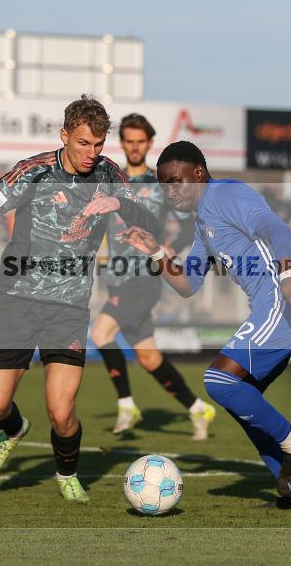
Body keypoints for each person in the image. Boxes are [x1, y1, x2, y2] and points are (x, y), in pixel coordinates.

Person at [0, 96, 159, 503]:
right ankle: (15, 429)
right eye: (82, 144)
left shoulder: (110, 174)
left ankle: (67, 473)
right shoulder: (34, 172)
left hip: (70, 309)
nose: (91, 154)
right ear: (64, 136)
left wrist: (121, 204)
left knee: (62, 412)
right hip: (15, 303)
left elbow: (150, 222)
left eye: (98, 145)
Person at [118, 141, 291, 511]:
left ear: (198, 173)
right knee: (240, 398)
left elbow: (275, 227)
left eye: (176, 181)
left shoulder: (225, 194)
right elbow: (187, 285)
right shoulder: (203, 222)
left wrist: (288, 273)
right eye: (164, 185)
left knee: (219, 381)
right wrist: (155, 252)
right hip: (281, 302)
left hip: (289, 297)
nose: (171, 191)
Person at [90, 114, 215, 438]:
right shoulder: (110, 180)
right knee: (149, 358)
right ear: (123, 143)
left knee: (102, 331)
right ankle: (198, 409)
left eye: (140, 141)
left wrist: (172, 246)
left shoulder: (161, 185)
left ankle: (126, 405)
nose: (134, 146)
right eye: (129, 140)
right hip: (117, 277)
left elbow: (190, 219)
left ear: (148, 143)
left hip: (145, 276)